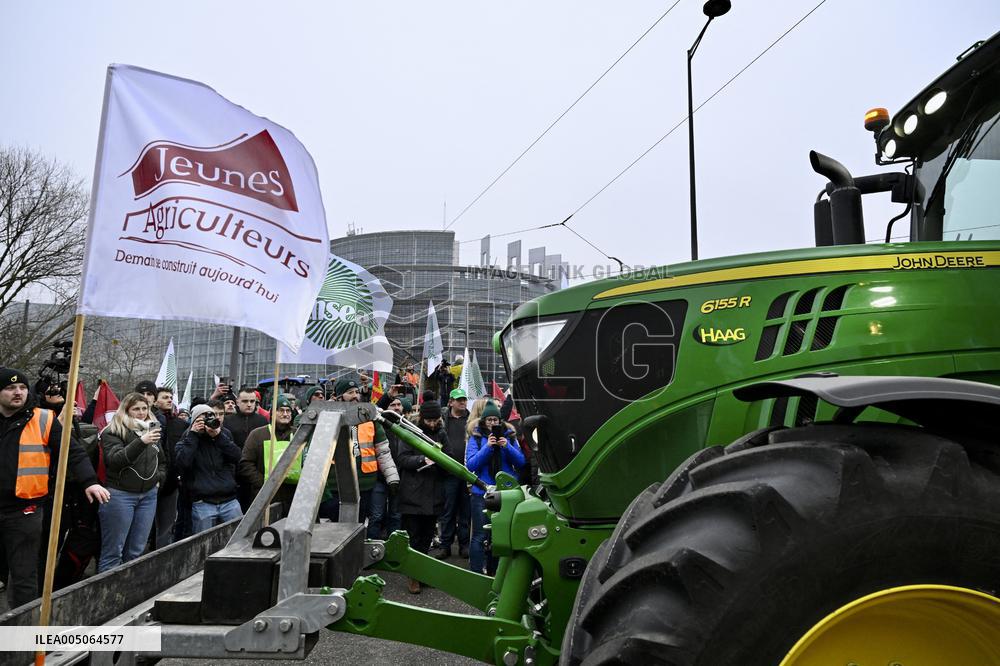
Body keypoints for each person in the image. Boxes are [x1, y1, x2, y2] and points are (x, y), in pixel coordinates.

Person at [0, 368, 108, 607]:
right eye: (9, 388)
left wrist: (89, 482)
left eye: (22, 388)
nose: (18, 392)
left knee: (24, 576)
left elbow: (74, 452)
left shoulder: (44, 419)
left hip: (24, 512)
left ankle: (22, 635)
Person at [98, 393, 166, 572]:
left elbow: (162, 459)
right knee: (113, 552)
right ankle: (106, 595)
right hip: (121, 495)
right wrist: (141, 442)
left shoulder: (152, 426)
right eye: (136, 409)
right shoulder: (113, 430)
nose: (141, 412)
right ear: (126, 410)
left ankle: (129, 593)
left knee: (136, 550)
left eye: (145, 408)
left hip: (148, 496)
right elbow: (115, 460)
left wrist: (159, 478)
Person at [318, 378, 398, 522]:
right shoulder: (327, 418)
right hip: (335, 486)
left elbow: (383, 451)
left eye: (356, 392)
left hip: (365, 485)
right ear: (339, 397)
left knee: (358, 528)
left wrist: (392, 478)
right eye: (350, 393)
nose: (355, 395)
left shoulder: (369, 417)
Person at [466, 400, 525, 575]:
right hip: (482, 492)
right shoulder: (476, 437)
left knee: (499, 536)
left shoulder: (510, 436)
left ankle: (495, 573)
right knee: (479, 536)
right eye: (489, 419)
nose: (493, 423)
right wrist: (487, 447)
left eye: (496, 420)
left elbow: (521, 462)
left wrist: (507, 447)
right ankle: (475, 573)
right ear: (483, 421)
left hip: (505, 493)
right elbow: (471, 465)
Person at [397, 400, 447, 594]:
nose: (432, 424)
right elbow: (402, 458)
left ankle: (422, 574)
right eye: (429, 420)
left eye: (435, 420)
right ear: (422, 418)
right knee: (414, 537)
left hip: (433, 493)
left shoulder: (442, 433)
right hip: (412, 494)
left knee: (426, 537)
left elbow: (449, 455)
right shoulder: (410, 432)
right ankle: (412, 576)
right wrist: (421, 460)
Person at [174, 403, 243, 534]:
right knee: (202, 545)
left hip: (229, 500)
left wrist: (218, 436)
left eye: (210, 417)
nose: (207, 423)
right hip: (202, 502)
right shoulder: (187, 437)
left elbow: (237, 456)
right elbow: (182, 463)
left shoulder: (224, 435)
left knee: (237, 541)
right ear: (193, 421)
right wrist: (193, 435)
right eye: (202, 419)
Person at [238, 395, 298, 513]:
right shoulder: (257, 435)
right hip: (265, 497)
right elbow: (246, 463)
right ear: (272, 413)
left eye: (288, 411)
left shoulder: (298, 435)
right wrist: (262, 483)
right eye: (280, 410)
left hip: (292, 496)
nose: (285, 414)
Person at [434, 388, 470, 560]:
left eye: (464, 399)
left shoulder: (472, 420)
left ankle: (464, 545)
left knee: (465, 511)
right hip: (448, 472)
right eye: (459, 399)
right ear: (451, 402)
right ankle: (445, 545)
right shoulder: (442, 420)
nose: (463, 402)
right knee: (447, 511)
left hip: (466, 473)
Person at [150, 387, 188, 549]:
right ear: (155, 400)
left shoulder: (181, 424)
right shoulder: (148, 422)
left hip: (171, 483)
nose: (169, 400)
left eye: (171, 397)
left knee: (166, 526)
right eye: (165, 397)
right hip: (149, 481)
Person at [367, 396, 407, 539]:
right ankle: (372, 547)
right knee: (377, 515)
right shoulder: (378, 425)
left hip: (399, 478)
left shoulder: (406, 426)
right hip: (379, 478)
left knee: (396, 516)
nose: (396, 407)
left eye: (399, 404)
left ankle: (393, 548)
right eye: (393, 404)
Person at [224, 388, 269, 510]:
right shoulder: (227, 421)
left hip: (257, 474)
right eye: (245, 401)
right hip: (234, 474)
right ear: (237, 402)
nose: (249, 404)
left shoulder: (263, 421)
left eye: (252, 401)